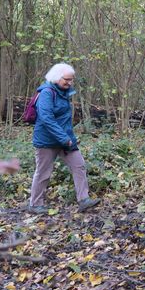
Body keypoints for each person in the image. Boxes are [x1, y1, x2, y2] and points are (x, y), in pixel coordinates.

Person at [28, 63, 101, 214]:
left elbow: (64, 120)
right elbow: (46, 118)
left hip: (65, 139)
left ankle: (83, 200)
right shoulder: (47, 92)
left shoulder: (63, 92)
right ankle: (35, 204)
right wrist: (63, 138)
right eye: (66, 79)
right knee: (43, 172)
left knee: (79, 165)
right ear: (56, 77)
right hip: (47, 141)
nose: (69, 82)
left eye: (71, 80)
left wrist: (70, 139)